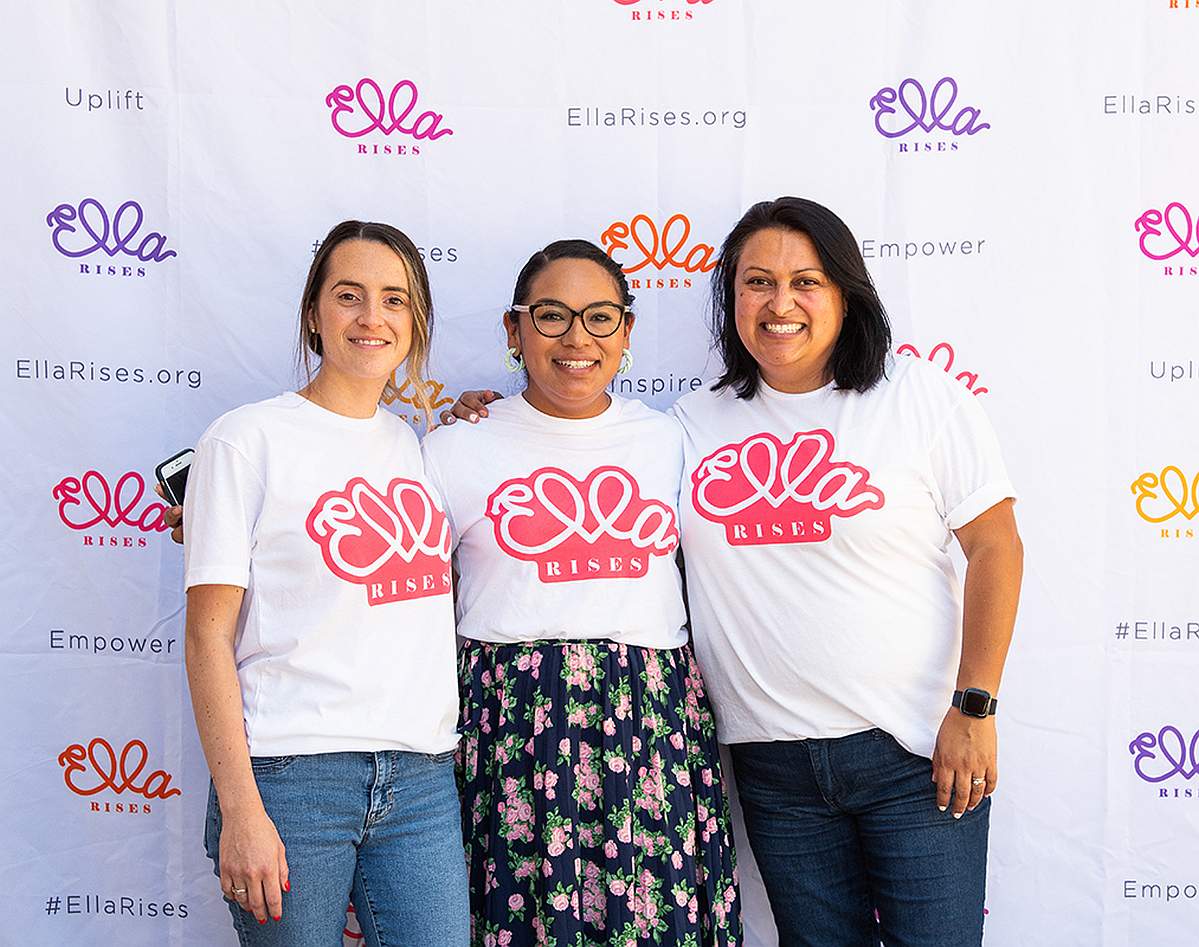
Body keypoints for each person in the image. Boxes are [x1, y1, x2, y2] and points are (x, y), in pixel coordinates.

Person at [448, 198, 1022, 947]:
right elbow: (568, 440)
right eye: (757, 282)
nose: (779, 303)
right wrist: (486, 415)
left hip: (912, 753)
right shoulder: (690, 425)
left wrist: (973, 706)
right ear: (731, 299)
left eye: (805, 281)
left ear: (844, 293)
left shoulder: (915, 397)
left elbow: (996, 546)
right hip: (772, 766)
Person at [424, 239, 741, 946]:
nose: (576, 338)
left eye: (600, 317)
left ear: (626, 331)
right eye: (551, 316)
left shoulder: (674, 441)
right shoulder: (451, 449)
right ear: (514, 330)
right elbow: (378, 577)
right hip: (512, 728)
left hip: (652, 725)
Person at [181, 220, 468, 946]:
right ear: (314, 312)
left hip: (421, 779)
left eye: (394, 299)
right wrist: (242, 809)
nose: (373, 318)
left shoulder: (420, 447)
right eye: (350, 296)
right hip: (290, 775)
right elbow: (206, 635)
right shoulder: (246, 438)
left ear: (417, 320)